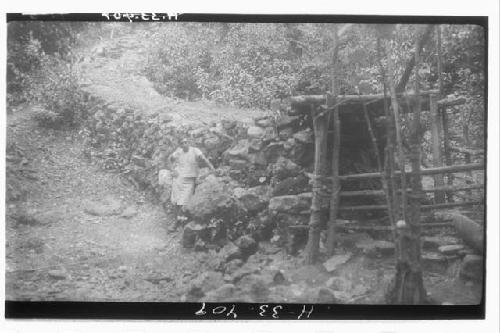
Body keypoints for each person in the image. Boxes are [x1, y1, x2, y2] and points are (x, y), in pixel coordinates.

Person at [167, 138, 215, 231]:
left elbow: (204, 159)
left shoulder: (195, 150)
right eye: (182, 143)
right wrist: (173, 170)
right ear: (180, 145)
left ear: (189, 142)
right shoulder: (179, 151)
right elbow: (169, 159)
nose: (185, 144)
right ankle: (180, 220)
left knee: (183, 201)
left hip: (189, 179)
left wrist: (212, 168)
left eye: (186, 142)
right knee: (176, 201)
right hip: (178, 178)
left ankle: (177, 222)